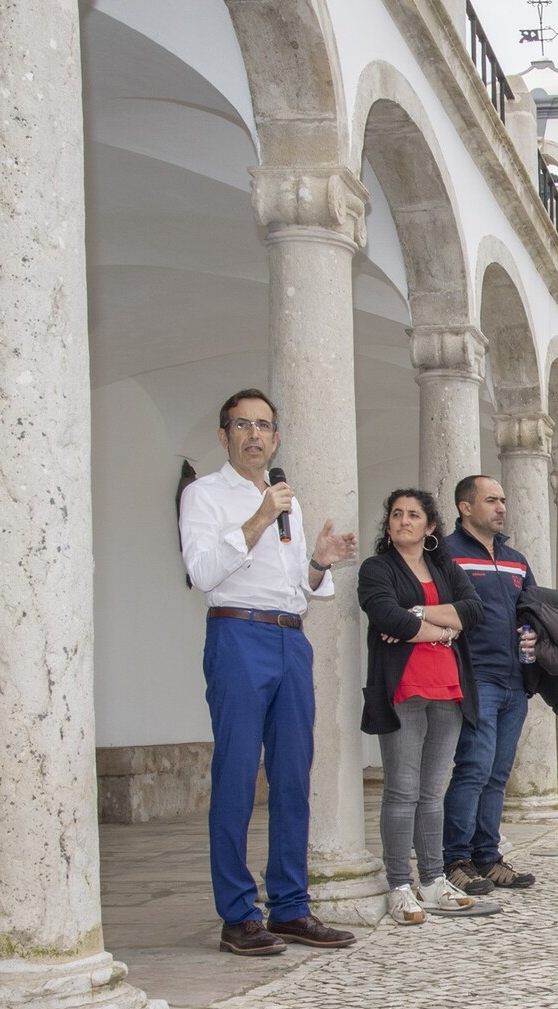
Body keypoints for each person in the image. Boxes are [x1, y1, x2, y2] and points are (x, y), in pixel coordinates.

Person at [177, 388, 360, 957]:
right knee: (235, 775)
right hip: (237, 635)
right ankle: (237, 914)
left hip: (290, 637)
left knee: (292, 776)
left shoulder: (290, 503)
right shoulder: (204, 495)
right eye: (242, 424)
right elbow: (204, 571)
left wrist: (318, 563)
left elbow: (294, 585)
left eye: (264, 425)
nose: (255, 434)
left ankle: (289, 906)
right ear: (224, 434)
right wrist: (258, 518)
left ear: (276, 437)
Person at [358, 488, 499, 926]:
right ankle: (400, 886)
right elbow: (387, 617)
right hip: (404, 692)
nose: (403, 520)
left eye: (413, 514)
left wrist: (417, 612)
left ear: (430, 526)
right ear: (388, 525)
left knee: (431, 793)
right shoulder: (376, 569)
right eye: (396, 513)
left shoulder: (443, 567)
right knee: (401, 792)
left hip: (449, 694)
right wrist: (440, 629)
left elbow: (474, 611)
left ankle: (434, 881)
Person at [439, 473, 539, 896]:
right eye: (492, 500)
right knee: (474, 768)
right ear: (466, 507)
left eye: (503, 500)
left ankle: (487, 855)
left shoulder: (515, 558)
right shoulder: (444, 553)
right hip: (476, 676)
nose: (501, 507)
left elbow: (532, 606)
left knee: (498, 773)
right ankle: (455, 859)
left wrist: (533, 631)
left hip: (515, 679)